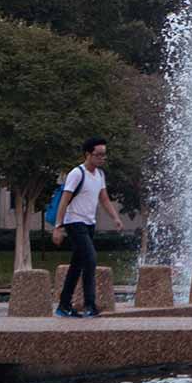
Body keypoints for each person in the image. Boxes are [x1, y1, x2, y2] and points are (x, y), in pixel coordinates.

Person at [51, 136, 124, 318]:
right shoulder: (77, 173)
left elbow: (104, 198)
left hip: (89, 224)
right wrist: (58, 227)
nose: (102, 158)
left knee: (77, 265)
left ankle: (64, 306)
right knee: (90, 259)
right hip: (74, 222)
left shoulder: (99, 175)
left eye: (104, 155)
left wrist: (115, 218)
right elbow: (64, 200)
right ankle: (90, 305)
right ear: (88, 154)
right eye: (98, 155)